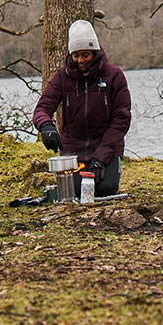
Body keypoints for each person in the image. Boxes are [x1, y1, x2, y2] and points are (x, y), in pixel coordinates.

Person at [33, 20, 132, 197]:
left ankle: (105, 168)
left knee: (105, 189)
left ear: (94, 52)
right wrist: (46, 126)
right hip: (73, 151)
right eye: (76, 55)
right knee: (75, 191)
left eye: (85, 54)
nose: (81, 60)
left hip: (106, 148)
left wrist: (101, 156)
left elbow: (121, 120)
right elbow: (42, 107)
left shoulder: (114, 76)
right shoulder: (61, 77)